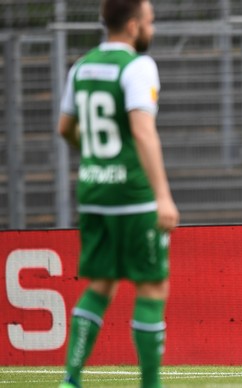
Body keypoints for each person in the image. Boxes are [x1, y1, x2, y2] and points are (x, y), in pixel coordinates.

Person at [57, 0, 179, 386]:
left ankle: (71, 380)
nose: (152, 29)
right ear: (132, 26)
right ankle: (150, 384)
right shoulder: (138, 66)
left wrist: (95, 155)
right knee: (152, 284)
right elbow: (142, 130)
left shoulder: (80, 67)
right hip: (132, 193)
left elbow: (65, 128)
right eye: (149, 22)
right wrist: (162, 195)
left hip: (93, 190)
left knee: (101, 284)